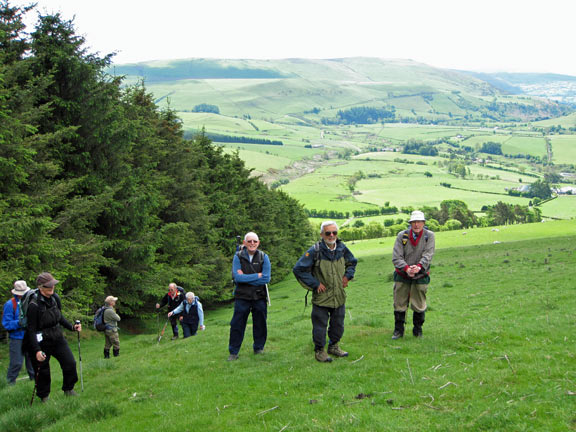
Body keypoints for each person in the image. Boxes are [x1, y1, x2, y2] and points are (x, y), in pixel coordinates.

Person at [293, 221, 357, 363]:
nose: (332, 235)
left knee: (338, 324)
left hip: (339, 296)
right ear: (322, 234)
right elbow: (298, 269)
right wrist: (315, 284)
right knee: (320, 326)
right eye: (328, 233)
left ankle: (334, 347)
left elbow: (352, 262)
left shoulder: (342, 248)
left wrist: (347, 276)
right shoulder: (315, 251)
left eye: (334, 232)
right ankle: (320, 351)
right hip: (321, 298)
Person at [26, 272, 81, 402]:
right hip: (41, 340)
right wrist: (37, 350)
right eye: (48, 287)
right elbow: (31, 329)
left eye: (52, 286)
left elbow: (59, 317)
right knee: (43, 371)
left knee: (70, 363)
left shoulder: (55, 298)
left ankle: (68, 389)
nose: (51, 289)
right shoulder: (34, 305)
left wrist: (72, 327)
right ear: (40, 287)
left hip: (57, 336)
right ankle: (44, 397)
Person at [391, 210, 436, 339]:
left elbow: (428, 254)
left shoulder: (429, 236)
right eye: (414, 222)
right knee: (399, 303)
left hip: (421, 275)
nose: (416, 225)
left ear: (424, 223)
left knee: (419, 304)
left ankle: (418, 330)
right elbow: (396, 256)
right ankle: (398, 331)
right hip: (402, 275)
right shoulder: (402, 236)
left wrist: (419, 267)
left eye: (419, 222)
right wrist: (406, 268)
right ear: (410, 223)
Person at [228, 232, 271, 361]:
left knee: (260, 323)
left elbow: (266, 278)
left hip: (259, 297)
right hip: (242, 297)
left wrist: (245, 278)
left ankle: (259, 348)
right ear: (245, 243)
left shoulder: (264, 257)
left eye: (255, 241)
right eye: (249, 241)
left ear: (258, 243)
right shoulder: (238, 256)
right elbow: (237, 278)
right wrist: (256, 276)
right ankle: (233, 352)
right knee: (237, 324)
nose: (252, 243)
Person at [2, 280, 35, 385]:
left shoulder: (30, 301)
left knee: (32, 362)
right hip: (16, 337)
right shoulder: (10, 304)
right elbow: (6, 324)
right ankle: (10, 384)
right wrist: (20, 323)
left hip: (29, 336)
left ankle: (35, 383)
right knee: (16, 363)